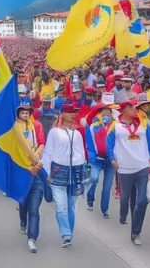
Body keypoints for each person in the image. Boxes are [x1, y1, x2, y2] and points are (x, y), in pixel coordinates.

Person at [107, 100, 150, 246]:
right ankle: (123, 214)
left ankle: (135, 232)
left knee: (142, 200)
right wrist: (112, 159)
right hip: (124, 169)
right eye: (130, 107)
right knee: (125, 198)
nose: (134, 109)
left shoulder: (144, 123)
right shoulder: (116, 125)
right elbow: (109, 143)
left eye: (134, 107)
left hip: (142, 167)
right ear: (123, 110)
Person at [42, 101, 85, 249]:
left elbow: (81, 153)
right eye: (71, 112)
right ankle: (65, 234)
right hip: (58, 172)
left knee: (72, 206)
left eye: (75, 112)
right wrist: (47, 172)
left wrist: (81, 173)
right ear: (63, 114)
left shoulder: (77, 133)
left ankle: (69, 234)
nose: (74, 115)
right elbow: (48, 152)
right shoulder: (55, 132)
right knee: (61, 206)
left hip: (75, 173)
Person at [16, 105, 45, 253]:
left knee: (34, 210)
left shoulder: (36, 126)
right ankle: (22, 221)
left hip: (36, 174)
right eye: (22, 112)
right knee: (23, 202)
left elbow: (42, 143)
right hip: (22, 172)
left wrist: (37, 158)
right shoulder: (14, 128)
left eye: (27, 112)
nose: (25, 114)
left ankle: (32, 239)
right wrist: (28, 167)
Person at [85, 93, 119, 218]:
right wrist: (92, 158)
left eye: (110, 110)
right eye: (107, 109)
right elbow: (89, 143)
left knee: (107, 187)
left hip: (110, 161)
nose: (109, 112)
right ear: (101, 110)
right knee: (93, 179)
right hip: (97, 160)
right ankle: (90, 199)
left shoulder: (115, 125)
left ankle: (105, 209)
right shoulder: (93, 125)